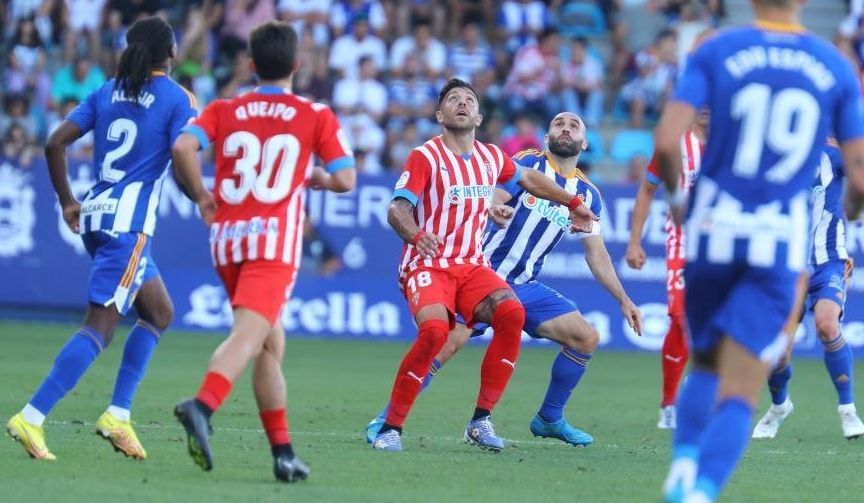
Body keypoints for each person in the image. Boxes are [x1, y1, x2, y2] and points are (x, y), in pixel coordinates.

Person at [655, 0, 864, 501]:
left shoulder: (717, 49)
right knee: (742, 386)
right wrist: (851, 212)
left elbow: (666, 144)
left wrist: (680, 200)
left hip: (713, 229)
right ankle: (702, 490)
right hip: (777, 243)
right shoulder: (836, 65)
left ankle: (683, 463)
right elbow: (858, 178)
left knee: (705, 363)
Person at [366, 112, 643, 447]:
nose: (565, 129)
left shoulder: (589, 194)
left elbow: (596, 254)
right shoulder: (527, 164)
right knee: (446, 341)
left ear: (585, 143)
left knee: (585, 338)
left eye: (574, 126)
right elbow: (488, 194)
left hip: (524, 284)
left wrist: (624, 299)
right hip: (482, 274)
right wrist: (493, 209)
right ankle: (386, 418)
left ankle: (549, 418)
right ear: (546, 137)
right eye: (558, 124)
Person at [170, 21, 355, 483]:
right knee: (250, 337)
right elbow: (347, 178)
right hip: (272, 243)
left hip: (226, 240)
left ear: (251, 66)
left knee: (271, 342)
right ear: (297, 64)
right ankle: (203, 404)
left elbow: (183, 147)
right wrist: (320, 178)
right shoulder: (315, 114)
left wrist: (201, 195)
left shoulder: (224, 108)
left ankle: (283, 453)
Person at [6, 16, 197, 461]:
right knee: (99, 328)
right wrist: (201, 195)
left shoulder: (107, 90)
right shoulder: (176, 97)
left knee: (159, 311)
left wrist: (67, 202)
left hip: (95, 218)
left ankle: (118, 414)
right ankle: (32, 417)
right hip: (128, 228)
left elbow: (55, 144)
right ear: (170, 55)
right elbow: (183, 154)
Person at [752, 141, 864, 440]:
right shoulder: (774, 157)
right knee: (779, 353)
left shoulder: (833, 156)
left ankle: (848, 409)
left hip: (829, 260)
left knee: (827, 326)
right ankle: (779, 407)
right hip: (787, 267)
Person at [626, 114, 706, 429]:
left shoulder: (735, 141)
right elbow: (647, 190)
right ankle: (670, 403)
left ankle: (701, 379)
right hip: (683, 241)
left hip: (725, 243)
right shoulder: (673, 146)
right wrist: (634, 241)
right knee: (679, 316)